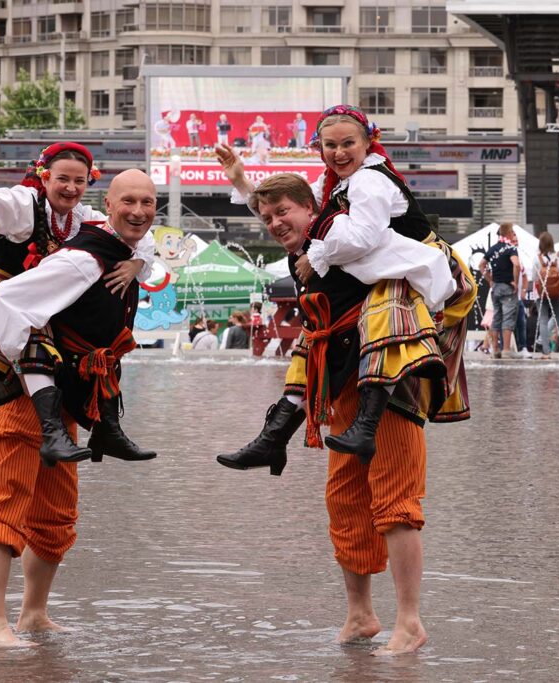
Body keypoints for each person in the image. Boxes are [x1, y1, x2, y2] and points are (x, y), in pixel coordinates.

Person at [0, 124, 154, 647]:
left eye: (79, 180)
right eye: (62, 178)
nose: (69, 188)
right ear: (44, 176)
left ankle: (34, 613)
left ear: (90, 185)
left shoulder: (87, 219)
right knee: (8, 485)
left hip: (47, 329)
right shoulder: (23, 205)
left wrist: (136, 262)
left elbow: (137, 236)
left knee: (58, 502)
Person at [218, 169, 472, 657]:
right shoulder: (303, 257)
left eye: (283, 212)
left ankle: (410, 622)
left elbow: (420, 268)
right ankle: (360, 615)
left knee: (396, 503)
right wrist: (242, 182)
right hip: (342, 393)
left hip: (392, 383)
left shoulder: (349, 235)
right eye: (266, 216)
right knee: (344, 500)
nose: (273, 222)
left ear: (311, 208)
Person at [214, 104, 466, 465]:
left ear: (368, 142)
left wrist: (315, 257)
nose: (339, 152)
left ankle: (365, 425)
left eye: (348, 142)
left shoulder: (370, 179)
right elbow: (295, 212)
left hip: (419, 270)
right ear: (319, 147)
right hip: (391, 267)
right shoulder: (335, 182)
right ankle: (275, 438)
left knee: (384, 313)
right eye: (330, 145)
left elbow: (362, 236)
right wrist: (241, 181)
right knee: (313, 339)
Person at [0, 169, 159, 467]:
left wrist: (138, 261)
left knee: (58, 508)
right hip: (29, 402)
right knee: (7, 502)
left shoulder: (122, 247)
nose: (139, 212)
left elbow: (146, 239)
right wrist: (19, 360)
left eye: (148, 202)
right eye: (128, 201)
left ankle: (104, 430)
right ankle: (65, 430)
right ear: (108, 205)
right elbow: (2, 299)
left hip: (69, 396)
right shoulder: (82, 260)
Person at [478, 223, 520, 359]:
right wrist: (515, 281)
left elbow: (481, 265)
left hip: (495, 288)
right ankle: (506, 350)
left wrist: (490, 279)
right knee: (508, 318)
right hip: (508, 288)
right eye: (512, 231)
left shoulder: (493, 249)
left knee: (496, 318)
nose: (513, 234)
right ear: (508, 233)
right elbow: (516, 264)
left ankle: (495, 350)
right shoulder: (510, 248)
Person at [532, 232, 559, 359]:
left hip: (541, 295)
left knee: (543, 321)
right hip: (558, 295)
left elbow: (534, 278)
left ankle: (546, 353)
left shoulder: (537, 259)